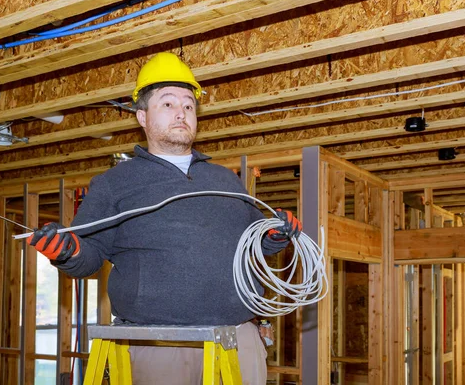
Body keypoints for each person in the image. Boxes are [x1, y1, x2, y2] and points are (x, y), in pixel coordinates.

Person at [27, 52, 302, 385]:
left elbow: (253, 244)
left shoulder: (225, 179)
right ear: (142, 117)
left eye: (188, 105)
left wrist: (274, 237)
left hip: (238, 338)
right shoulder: (115, 182)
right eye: (168, 104)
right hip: (159, 343)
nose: (181, 113)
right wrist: (67, 252)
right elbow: (90, 255)